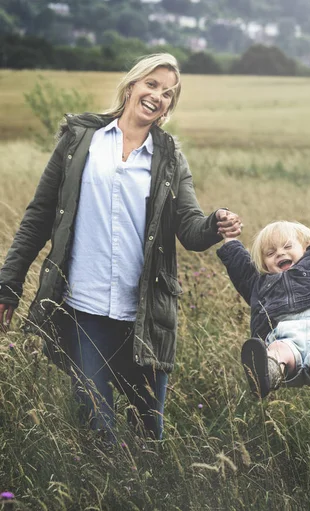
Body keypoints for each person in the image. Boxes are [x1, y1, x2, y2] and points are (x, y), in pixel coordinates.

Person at [0, 53, 242, 441]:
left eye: (168, 93)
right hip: (84, 310)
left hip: (143, 316)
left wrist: (216, 223)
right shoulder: (79, 141)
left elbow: (191, 231)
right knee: (99, 429)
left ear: (168, 108)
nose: (157, 95)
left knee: (149, 433)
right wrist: (9, 283)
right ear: (131, 86)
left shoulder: (170, 158)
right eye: (151, 84)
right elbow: (39, 216)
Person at [216, 195, 310, 414]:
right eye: (270, 253)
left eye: (287, 246)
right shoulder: (260, 284)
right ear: (264, 263)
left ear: (306, 246)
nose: (279, 253)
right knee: (278, 351)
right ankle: (267, 374)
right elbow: (239, 267)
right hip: (285, 337)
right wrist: (229, 238)